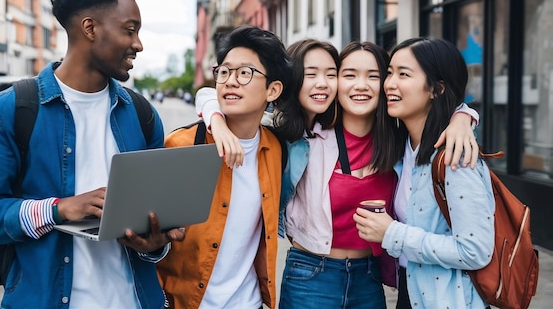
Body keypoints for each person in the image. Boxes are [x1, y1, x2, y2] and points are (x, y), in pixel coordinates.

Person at [0, 0, 183, 309]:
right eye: (129, 30)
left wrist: (154, 243)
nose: (138, 44)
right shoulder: (7, 111)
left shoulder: (142, 115)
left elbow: (156, 226)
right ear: (90, 28)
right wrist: (59, 209)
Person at [196, 38, 480, 308]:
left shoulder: (397, 136)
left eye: (373, 76)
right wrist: (217, 122)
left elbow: (437, 107)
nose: (361, 85)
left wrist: (463, 116)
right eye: (348, 75)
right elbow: (210, 94)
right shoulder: (302, 134)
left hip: (369, 279)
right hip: (310, 275)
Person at [354, 37, 495, 309]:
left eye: (403, 74)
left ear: (436, 88)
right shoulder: (403, 147)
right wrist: (465, 115)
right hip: (413, 290)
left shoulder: (455, 157)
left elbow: (475, 251)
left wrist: (392, 232)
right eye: (390, 73)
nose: (389, 83)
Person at [155, 25, 290, 308]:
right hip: (184, 301)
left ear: (273, 89)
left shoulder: (275, 149)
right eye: (225, 72)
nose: (230, 81)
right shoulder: (181, 145)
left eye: (245, 73)